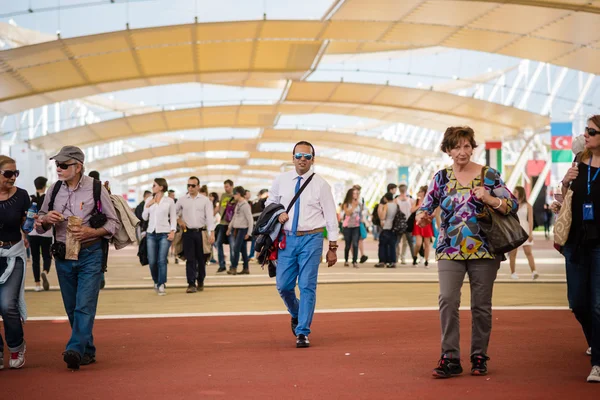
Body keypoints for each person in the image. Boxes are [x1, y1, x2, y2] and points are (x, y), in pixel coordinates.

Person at [416, 126, 517, 379]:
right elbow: (426, 206)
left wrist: (491, 199)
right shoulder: (440, 178)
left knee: (481, 306)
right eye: (457, 147)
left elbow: (512, 203)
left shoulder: (488, 175)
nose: (462, 151)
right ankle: (450, 357)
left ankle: (479, 355)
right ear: (448, 150)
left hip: (485, 249)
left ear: (473, 147)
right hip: (449, 248)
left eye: (467, 146)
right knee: (448, 300)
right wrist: (422, 216)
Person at [35, 146, 121, 370]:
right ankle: (87, 349)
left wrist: (91, 232)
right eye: (57, 165)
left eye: (64, 165)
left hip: (90, 253)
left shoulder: (95, 188)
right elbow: (40, 223)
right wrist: (46, 220)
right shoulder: (54, 190)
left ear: (78, 166)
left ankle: (74, 348)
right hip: (63, 255)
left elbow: (113, 222)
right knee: (72, 306)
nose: (59, 169)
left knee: (84, 305)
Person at [266, 141, 339, 348]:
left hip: (312, 239)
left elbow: (331, 217)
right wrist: (279, 213)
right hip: (287, 239)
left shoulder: (321, 184)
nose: (302, 160)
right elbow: (269, 202)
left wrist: (332, 248)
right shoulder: (281, 180)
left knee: (307, 285)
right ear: (293, 158)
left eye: (307, 156)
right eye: (298, 156)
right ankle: (297, 313)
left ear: (313, 160)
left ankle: (302, 331)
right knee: (283, 285)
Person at [556, 115, 600, 383]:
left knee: (597, 304)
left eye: (592, 131)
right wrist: (564, 183)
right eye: (586, 130)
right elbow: (566, 198)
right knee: (577, 302)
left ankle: (598, 362)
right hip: (575, 240)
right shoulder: (577, 162)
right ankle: (595, 340)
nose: (587, 134)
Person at [0, 155, 29, 369]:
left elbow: (25, 224)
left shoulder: (22, 196)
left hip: (14, 252)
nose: (13, 178)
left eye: (15, 173)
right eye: (8, 173)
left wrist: (33, 225)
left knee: (7, 304)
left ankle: (16, 346)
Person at [176, 176, 215, 293]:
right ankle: (191, 284)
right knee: (190, 259)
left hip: (201, 233)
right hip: (188, 233)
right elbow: (174, 213)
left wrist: (211, 233)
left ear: (198, 186)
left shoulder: (205, 200)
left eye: (193, 186)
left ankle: (201, 280)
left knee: (201, 259)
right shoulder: (182, 200)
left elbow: (209, 218)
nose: (190, 188)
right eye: (188, 185)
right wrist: (179, 221)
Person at [142, 178, 176, 296]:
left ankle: (161, 283)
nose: (152, 187)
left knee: (162, 260)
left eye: (154, 185)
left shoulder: (169, 201)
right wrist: (148, 206)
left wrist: (173, 231)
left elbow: (173, 217)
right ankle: (156, 281)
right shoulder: (148, 200)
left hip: (164, 233)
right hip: (151, 233)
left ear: (161, 187)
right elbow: (144, 217)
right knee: (152, 261)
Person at [508, 186, 538, 280]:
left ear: (520, 193)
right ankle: (513, 273)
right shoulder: (512, 204)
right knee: (513, 253)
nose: (514, 193)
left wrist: (530, 233)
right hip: (514, 231)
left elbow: (530, 220)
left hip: (525, 230)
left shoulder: (528, 205)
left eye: (515, 191)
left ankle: (534, 272)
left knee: (528, 252)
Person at [29, 176, 53, 291]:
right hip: (46, 232)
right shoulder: (48, 199)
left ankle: (37, 284)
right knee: (47, 255)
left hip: (32, 232)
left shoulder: (30, 198)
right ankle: (45, 271)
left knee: (35, 258)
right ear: (44, 186)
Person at [226, 186, 254, 275]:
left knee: (236, 248)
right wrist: (229, 227)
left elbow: (250, 219)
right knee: (243, 250)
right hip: (237, 229)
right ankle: (246, 268)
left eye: (234, 194)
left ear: (238, 194)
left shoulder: (245, 205)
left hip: (243, 230)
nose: (233, 196)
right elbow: (235, 217)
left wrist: (249, 233)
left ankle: (233, 267)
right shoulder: (238, 204)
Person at [215, 180, 234, 273]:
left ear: (232, 186)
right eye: (225, 187)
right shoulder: (223, 195)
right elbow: (219, 208)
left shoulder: (235, 196)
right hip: (222, 224)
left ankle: (232, 266)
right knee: (218, 243)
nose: (226, 188)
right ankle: (222, 265)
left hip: (231, 225)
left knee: (232, 245)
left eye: (227, 186)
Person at [412, 185, 434, 267]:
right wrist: (419, 205)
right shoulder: (417, 201)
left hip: (427, 223)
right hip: (417, 223)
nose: (419, 193)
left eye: (421, 191)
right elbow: (412, 210)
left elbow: (433, 211)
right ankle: (415, 256)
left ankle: (426, 260)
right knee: (418, 243)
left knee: (427, 243)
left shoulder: (430, 201)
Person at [375, 192, 398, 268]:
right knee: (392, 246)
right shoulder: (396, 205)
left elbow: (382, 216)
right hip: (394, 228)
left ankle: (382, 261)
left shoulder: (386, 206)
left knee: (383, 245)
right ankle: (392, 261)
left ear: (385, 198)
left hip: (386, 227)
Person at [341, 188, 361, 268]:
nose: (356, 195)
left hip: (356, 226)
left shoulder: (359, 203)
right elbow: (348, 213)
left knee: (355, 244)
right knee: (347, 245)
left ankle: (355, 261)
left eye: (357, 193)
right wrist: (353, 206)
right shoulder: (346, 203)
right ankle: (346, 260)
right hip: (347, 226)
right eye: (354, 193)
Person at [395, 183, 415, 265]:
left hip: (400, 223)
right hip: (406, 223)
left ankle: (397, 258)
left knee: (400, 242)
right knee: (406, 242)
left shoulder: (397, 199)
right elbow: (412, 210)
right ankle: (406, 257)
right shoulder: (410, 199)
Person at [249, 189, 268, 260]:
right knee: (260, 240)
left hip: (255, 223)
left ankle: (252, 255)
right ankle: (258, 255)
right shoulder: (264, 201)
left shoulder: (254, 202)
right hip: (261, 224)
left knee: (255, 240)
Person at [353, 184, 369, 264]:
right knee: (353, 240)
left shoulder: (362, 199)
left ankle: (362, 255)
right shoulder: (349, 199)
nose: (357, 193)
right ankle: (354, 257)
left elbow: (365, 209)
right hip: (351, 222)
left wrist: (364, 218)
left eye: (358, 191)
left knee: (360, 239)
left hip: (359, 222)